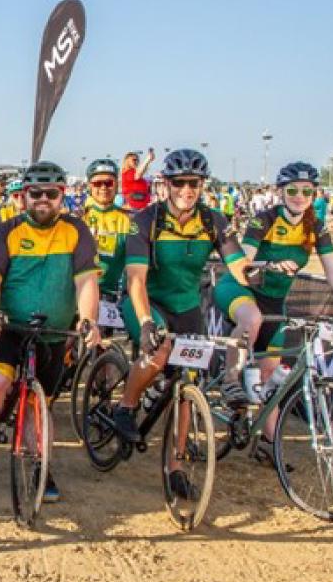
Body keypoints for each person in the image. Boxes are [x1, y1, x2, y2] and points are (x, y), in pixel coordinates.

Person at [111, 148, 246, 493]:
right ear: (167, 185)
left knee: (188, 386)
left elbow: (239, 267)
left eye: (194, 183)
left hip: (187, 308)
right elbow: (137, 280)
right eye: (180, 183)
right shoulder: (146, 220)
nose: (187, 190)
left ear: (202, 186)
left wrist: (267, 271)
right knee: (159, 352)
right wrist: (144, 322)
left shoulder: (213, 221)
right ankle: (126, 407)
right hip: (148, 302)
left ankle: (176, 465)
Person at [0, 159, 100, 499]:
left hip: (55, 333)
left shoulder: (76, 231)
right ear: (24, 195)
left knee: (39, 405)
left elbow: (86, 282)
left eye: (51, 194)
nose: (43, 199)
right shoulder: (6, 231)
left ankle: (41, 467)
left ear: (62, 195)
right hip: (10, 327)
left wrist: (88, 319)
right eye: (35, 193)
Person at [212, 158, 333, 438]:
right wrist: (270, 266)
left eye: (307, 191)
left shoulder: (316, 227)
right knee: (252, 318)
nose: (299, 197)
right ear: (281, 191)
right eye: (293, 190)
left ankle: (271, 443)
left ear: (314, 194)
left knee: (270, 375)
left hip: (274, 299)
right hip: (241, 289)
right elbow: (243, 263)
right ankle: (230, 377)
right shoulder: (266, 219)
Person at [81, 157, 134, 307]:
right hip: (79, 293)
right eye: (97, 183)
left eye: (109, 183)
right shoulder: (78, 218)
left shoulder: (128, 220)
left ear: (116, 185)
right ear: (89, 186)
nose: (103, 187)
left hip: (112, 297)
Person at [120, 147, 154, 211]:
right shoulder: (127, 172)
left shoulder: (132, 172)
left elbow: (141, 171)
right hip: (134, 207)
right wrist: (147, 160)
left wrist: (149, 161)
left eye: (137, 160)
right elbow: (138, 174)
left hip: (140, 206)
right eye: (134, 160)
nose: (136, 162)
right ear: (127, 160)